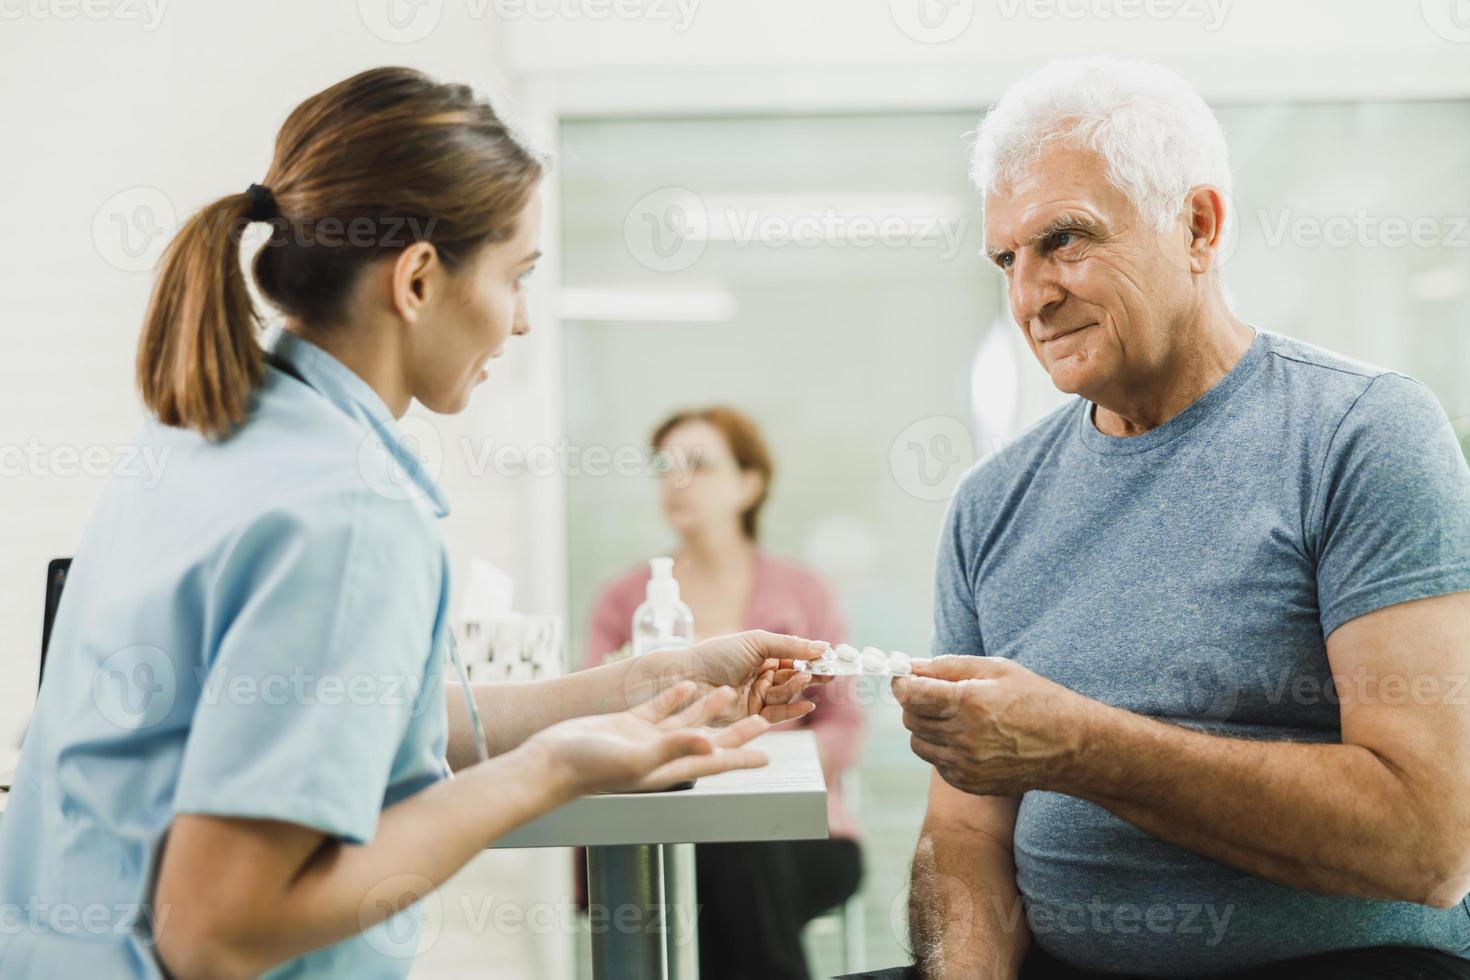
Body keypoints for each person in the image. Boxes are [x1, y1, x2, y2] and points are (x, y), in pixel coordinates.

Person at [0, 67, 830, 980]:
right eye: (516, 278)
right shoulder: (348, 516)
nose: (519, 324)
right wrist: (546, 772)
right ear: (420, 280)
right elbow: (217, 927)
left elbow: (354, 714)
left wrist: (637, 684)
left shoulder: (200, 434)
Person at [861, 58, 1470, 978]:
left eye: (1065, 240)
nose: (1029, 297)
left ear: (1197, 226)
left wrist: (1078, 745)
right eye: (1006, 259)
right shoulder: (992, 505)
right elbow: (965, 827)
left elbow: (1429, 843)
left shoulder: (1361, 435)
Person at [584, 406, 865, 980]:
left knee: (725, 846)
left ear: (749, 484)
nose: (676, 481)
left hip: (803, 835)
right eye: (665, 466)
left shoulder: (803, 592)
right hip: (659, 831)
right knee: (709, 850)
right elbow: (591, 710)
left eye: (699, 466)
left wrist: (765, 770)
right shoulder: (623, 599)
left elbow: (845, 722)